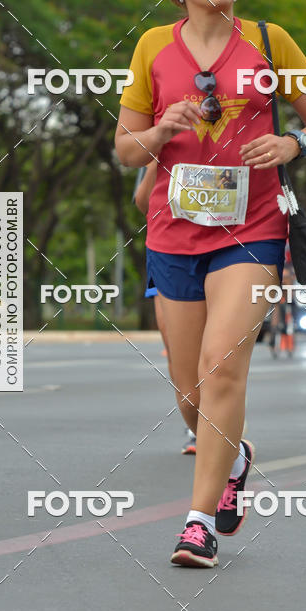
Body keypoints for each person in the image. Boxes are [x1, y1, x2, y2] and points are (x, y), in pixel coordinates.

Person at [115, 0, 306, 567]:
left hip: (252, 231)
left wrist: (293, 143)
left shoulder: (270, 42)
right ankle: (234, 456)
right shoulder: (153, 48)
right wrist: (163, 129)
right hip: (173, 234)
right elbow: (125, 149)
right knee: (190, 394)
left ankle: (198, 524)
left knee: (222, 367)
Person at [135, 162, 197, 454]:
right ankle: (198, 423)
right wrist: (155, 158)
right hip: (170, 253)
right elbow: (143, 202)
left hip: (225, 251)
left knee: (218, 353)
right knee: (176, 348)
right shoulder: (159, 145)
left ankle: (223, 422)